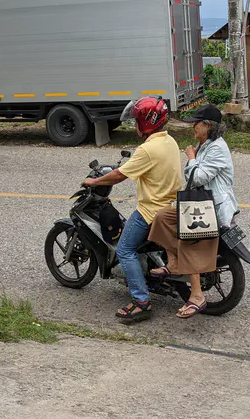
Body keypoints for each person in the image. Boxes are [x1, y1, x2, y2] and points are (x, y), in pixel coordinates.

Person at [82, 97, 181, 323]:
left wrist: (94, 182)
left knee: (125, 250)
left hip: (152, 210)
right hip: (172, 205)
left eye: (136, 120)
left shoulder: (146, 149)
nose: (134, 124)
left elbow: (119, 175)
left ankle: (141, 301)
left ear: (145, 123)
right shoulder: (169, 141)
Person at [148, 103, 239, 319]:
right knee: (160, 218)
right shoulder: (206, 144)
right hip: (198, 204)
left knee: (187, 238)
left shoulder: (217, 148)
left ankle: (197, 296)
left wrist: (191, 158)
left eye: (196, 124)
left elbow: (198, 177)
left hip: (211, 209)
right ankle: (173, 263)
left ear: (207, 125)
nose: (193, 128)